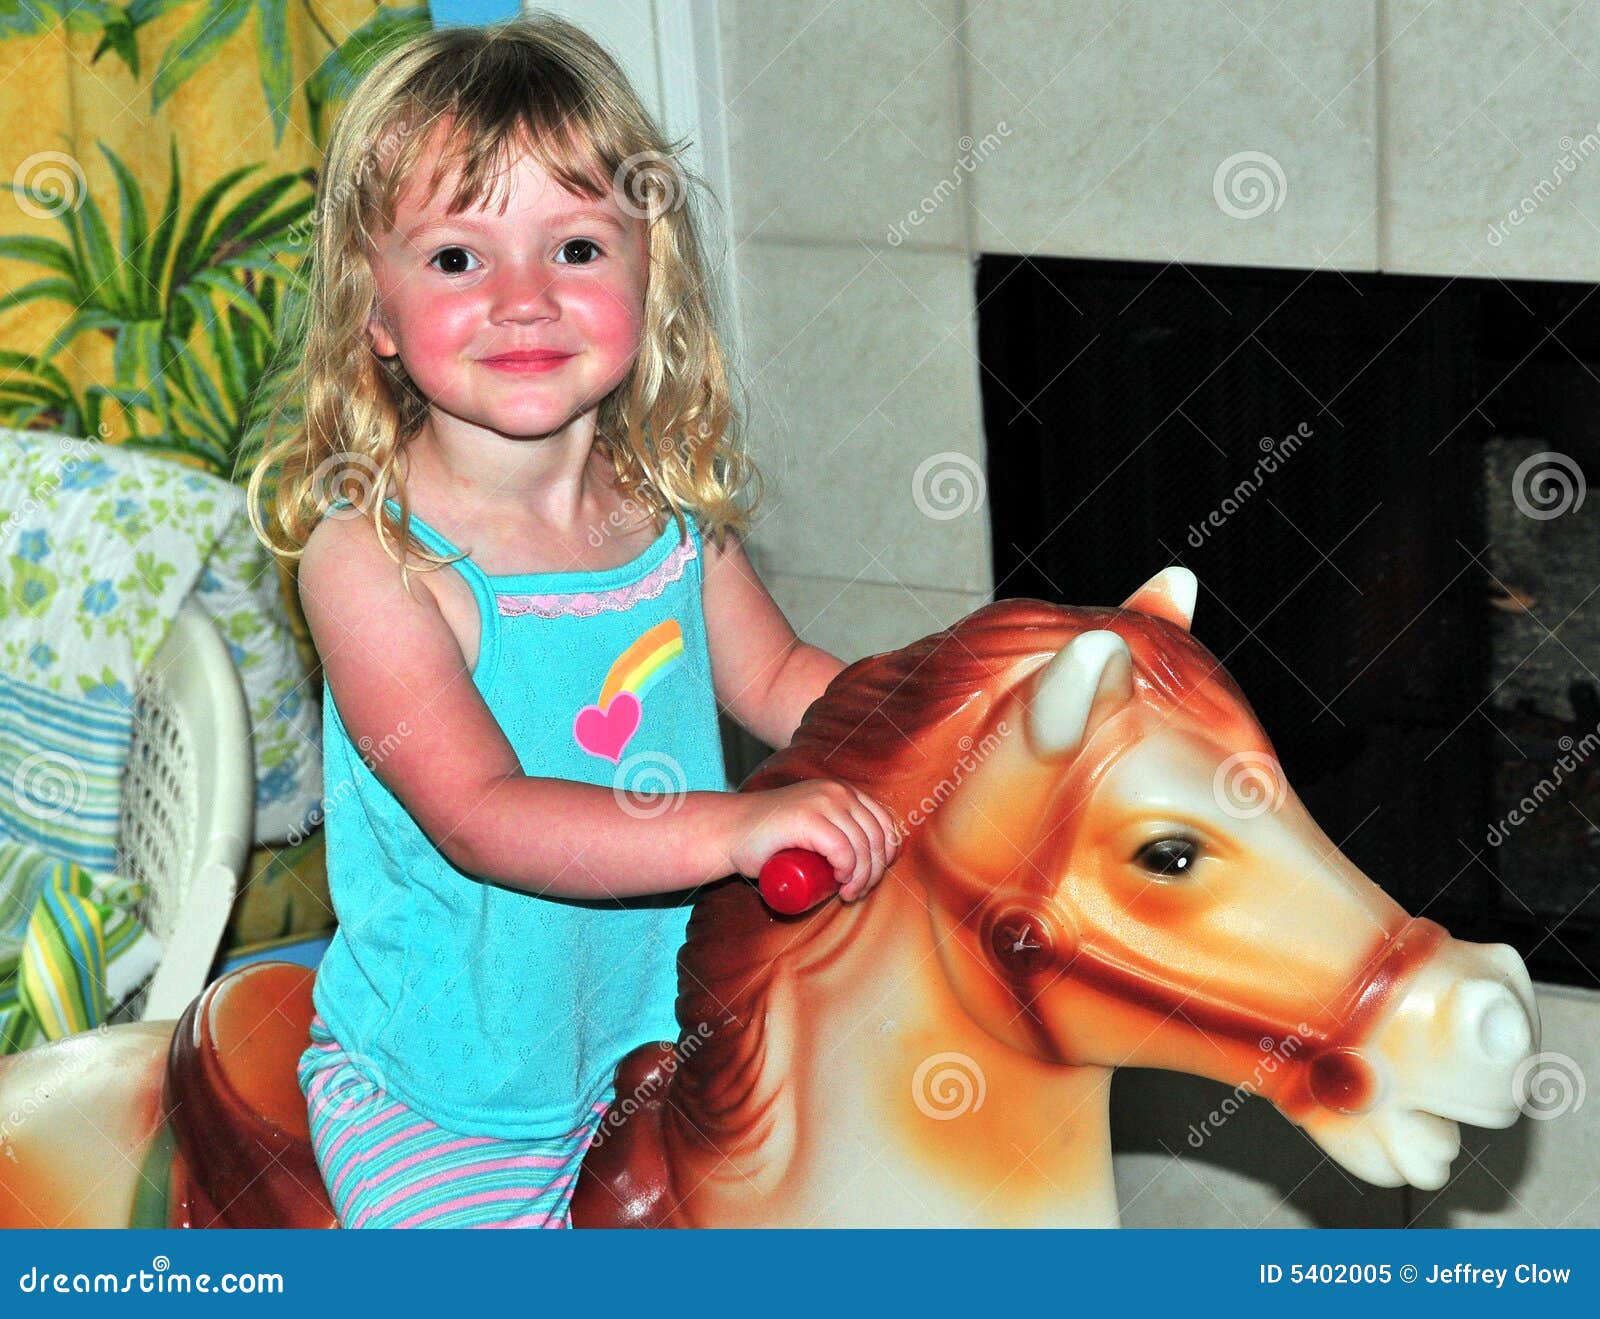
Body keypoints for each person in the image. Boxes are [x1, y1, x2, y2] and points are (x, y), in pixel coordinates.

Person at [244, 14, 899, 1229]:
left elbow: (783, 680)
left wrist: (950, 718)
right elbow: (487, 817)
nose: (525, 299)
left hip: (676, 1027)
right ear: (373, 310)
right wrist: (742, 824)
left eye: (578, 245)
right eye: (455, 259)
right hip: (465, 1095)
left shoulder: (668, 510)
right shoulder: (377, 559)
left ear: (651, 280)